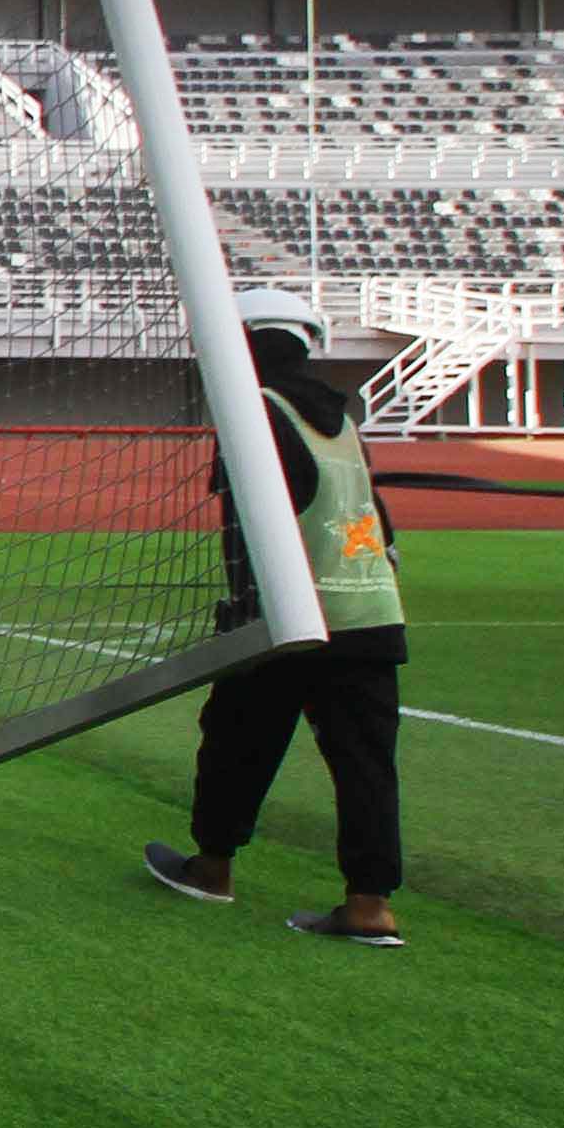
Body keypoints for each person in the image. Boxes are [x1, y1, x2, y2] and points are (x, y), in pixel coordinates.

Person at [143, 284, 409, 945]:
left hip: (289, 615)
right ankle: (370, 906)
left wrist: (241, 616)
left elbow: (250, 525)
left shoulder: (253, 411)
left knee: (236, 740)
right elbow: (375, 517)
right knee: (366, 765)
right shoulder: (343, 418)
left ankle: (211, 867)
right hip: (372, 611)